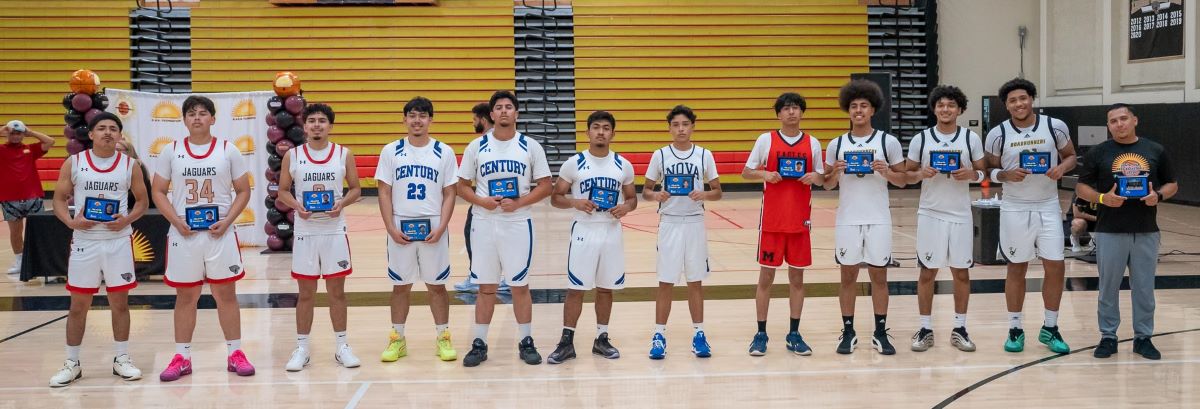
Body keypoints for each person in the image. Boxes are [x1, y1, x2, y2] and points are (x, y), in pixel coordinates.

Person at [151, 95, 255, 381]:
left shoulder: (228, 149)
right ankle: (182, 357)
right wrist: (176, 221)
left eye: (202, 113)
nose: (197, 117)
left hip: (219, 234)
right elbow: (158, 191)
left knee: (226, 295)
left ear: (212, 118)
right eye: (191, 113)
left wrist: (228, 220)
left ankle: (235, 353)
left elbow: (243, 190)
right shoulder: (171, 151)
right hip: (184, 235)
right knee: (186, 296)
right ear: (184, 119)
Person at [47, 113, 148, 387]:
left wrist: (127, 220)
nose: (107, 132)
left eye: (113, 128)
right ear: (90, 134)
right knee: (78, 305)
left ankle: (121, 358)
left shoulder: (130, 165)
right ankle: (72, 363)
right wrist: (71, 222)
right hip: (85, 241)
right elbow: (58, 199)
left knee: (120, 303)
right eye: (101, 128)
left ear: (120, 135)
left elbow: (142, 201)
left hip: (118, 241)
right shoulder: (75, 162)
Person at [456, 90, 553, 367]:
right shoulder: (477, 146)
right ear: (492, 114)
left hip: (517, 223)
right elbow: (462, 186)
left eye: (508, 107)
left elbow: (546, 185)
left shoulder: (530, 146)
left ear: (516, 113)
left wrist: (520, 202)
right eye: (498, 107)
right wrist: (482, 201)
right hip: (484, 222)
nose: (503, 111)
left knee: (519, 286)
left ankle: (526, 341)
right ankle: (479, 343)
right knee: (486, 287)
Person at [1076, 103, 1178, 360]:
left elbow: (1172, 184)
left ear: (1135, 120)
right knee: (1108, 288)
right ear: (1108, 126)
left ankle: (1143, 338)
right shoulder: (1099, 152)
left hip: (1146, 230)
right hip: (1110, 230)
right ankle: (1108, 337)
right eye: (1113, 121)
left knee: (1144, 288)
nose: (1119, 124)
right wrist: (1102, 198)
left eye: (1123, 118)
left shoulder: (1155, 150)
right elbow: (1081, 187)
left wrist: (1158, 196)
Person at [983, 78, 1077, 354]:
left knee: (1056, 265)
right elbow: (987, 171)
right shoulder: (998, 133)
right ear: (1006, 105)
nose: (1018, 104)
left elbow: (1071, 156)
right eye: (1012, 100)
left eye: (1023, 98)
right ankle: (1015, 328)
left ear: (1032, 99)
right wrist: (1005, 174)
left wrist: (1062, 168)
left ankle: (1051, 327)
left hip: (1048, 205)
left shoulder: (1055, 126)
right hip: (1015, 207)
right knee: (1016, 267)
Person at [276, 103, 363, 372]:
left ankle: (342, 346)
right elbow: (282, 191)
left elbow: (356, 189)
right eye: (312, 120)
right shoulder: (293, 155)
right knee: (306, 294)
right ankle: (302, 348)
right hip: (306, 232)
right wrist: (297, 206)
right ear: (304, 126)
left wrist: (342, 204)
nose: (317, 125)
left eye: (322, 120)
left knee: (337, 292)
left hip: (334, 230)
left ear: (330, 126)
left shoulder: (343, 154)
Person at [822, 80, 907, 356]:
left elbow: (903, 181)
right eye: (854, 106)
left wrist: (887, 172)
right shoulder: (836, 144)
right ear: (847, 110)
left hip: (878, 218)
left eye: (864, 106)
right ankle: (848, 332)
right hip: (848, 219)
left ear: (873, 110)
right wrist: (834, 173)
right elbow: (827, 185)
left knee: (879, 277)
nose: (858, 110)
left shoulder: (887, 142)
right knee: (847, 277)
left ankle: (880, 332)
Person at [375, 97, 460, 363]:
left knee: (437, 286)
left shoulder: (444, 152)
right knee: (400, 286)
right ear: (404, 119)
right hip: (400, 225)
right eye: (412, 115)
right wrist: (390, 227)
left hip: (433, 225)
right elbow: (384, 191)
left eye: (422, 116)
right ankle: (397, 338)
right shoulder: (391, 151)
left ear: (431, 120)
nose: (417, 120)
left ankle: (443, 336)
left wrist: (442, 226)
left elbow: (450, 192)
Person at [546, 111, 635, 364]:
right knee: (576, 288)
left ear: (612, 134)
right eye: (596, 127)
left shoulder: (623, 165)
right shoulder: (573, 163)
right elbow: (556, 197)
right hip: (584, 229)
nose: (601, 132)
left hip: (611, 230)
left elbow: (632, 198)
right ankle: (566, 342)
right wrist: (575, 202)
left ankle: (601, 338)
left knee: (605, 288)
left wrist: (625, 208)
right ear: (587, 132)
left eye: (606, 128)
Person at [902, 85, 985, 353]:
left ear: (960, 109)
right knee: (927, 271)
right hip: (930, 213)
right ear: (934, 109)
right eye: (941, 105)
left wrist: (971, 175)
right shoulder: (922, 139)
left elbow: (983, 173)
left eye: (951, 105)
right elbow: (907, 175)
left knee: (961, 272)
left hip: (960, 214)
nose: (945, 109)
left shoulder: (970, 138)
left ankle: (960, 328)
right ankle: (925, 329)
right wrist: (920, 174)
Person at [741, 92, 825, 356]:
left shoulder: (812, 143)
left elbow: (822, 177)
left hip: (800, 223)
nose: (791, 112)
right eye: (786, 108)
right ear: (778, 114)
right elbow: (746, 172)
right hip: (772, 223)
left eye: (796, 108)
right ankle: (761, 333)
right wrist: (764, 173)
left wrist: (815, 177)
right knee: (766, 277)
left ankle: (794, 333)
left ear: (802, 112)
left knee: (797, 279)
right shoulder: (766, 139)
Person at [643, 105, 721, 359]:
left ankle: (699, 334)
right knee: (665, 281)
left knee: (695, 281)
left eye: (685, 124)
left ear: (692, 127)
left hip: (695, 223)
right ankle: (659, 335)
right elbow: (646, 191)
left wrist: (704, 194)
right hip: (669, 223)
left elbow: (718, 192)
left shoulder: (704, 155)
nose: (681, 129)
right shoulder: (660, 155)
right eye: (676, 125)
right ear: (669, 128)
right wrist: (657, 195)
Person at [455, 102, 510, 294]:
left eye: (474, 119)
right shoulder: (509, 140)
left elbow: (463, 183)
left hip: (485, 202)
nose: (473, 123)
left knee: (475, 238)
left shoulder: (480, 145)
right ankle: (509, 278)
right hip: (510, 200)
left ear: (484, 120)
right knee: (506, 242)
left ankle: (476, 277)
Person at [1, 121, 54, 275]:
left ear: (23, 134)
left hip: (33, 196)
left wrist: (30, 132)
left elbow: (50, 141)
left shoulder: (30, 149)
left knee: (39, 230)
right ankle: (20, 261)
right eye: (12, 133)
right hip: (9, 198)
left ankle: (41, 260)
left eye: (19, 133)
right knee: (15, 232)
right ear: (7, 134)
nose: (15, 136)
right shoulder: (1, 150)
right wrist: (2, 130)